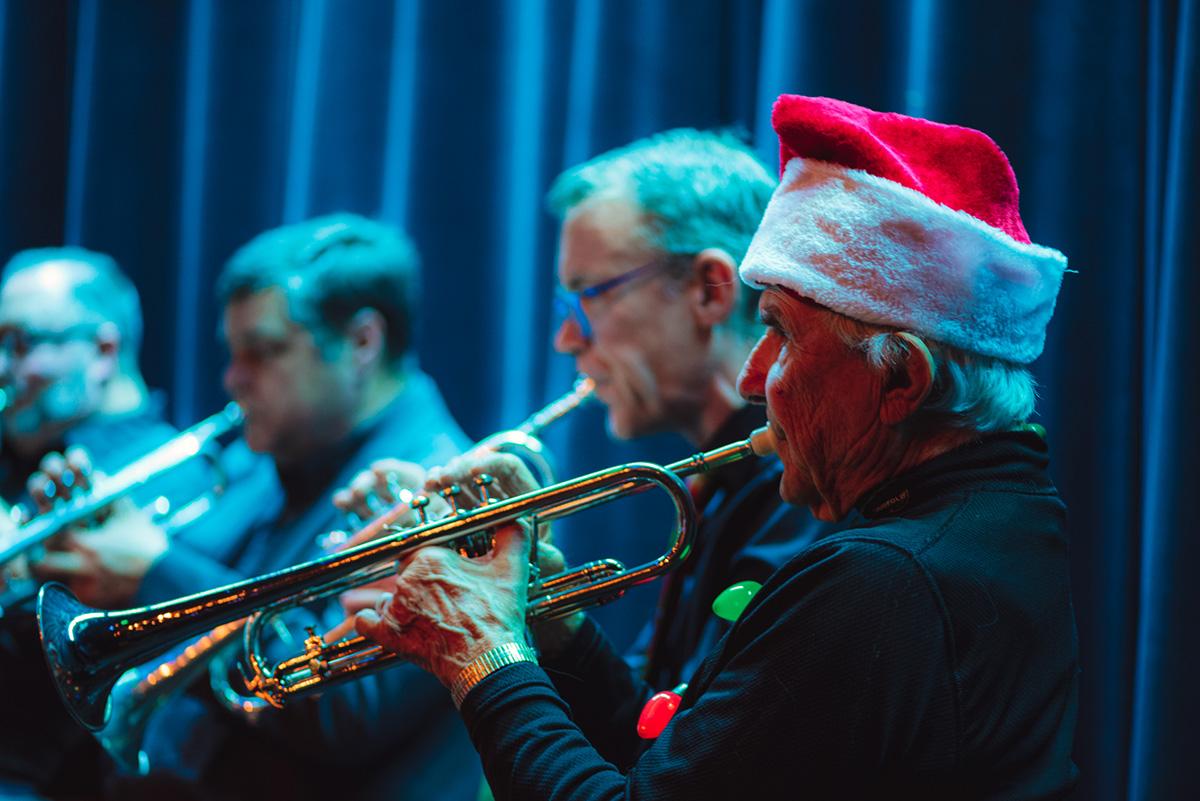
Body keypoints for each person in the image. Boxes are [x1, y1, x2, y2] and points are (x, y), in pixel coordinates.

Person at [351, 96, 1079, 799]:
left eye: (782, 332)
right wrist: (547, 619)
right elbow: (679, 759)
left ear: (903, 379)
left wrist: (484, 650)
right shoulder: (992, 520)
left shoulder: (883, 579)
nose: (752, 376)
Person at [337, 130, 830, 770]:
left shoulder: (804, 493)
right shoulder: (717, 486)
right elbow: (650, 740)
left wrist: (483, 647)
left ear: (709, 289)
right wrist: (536, 602)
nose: (567, 338)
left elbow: (687, 778)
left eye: (588, 295)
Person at [32, 215, 480, 801]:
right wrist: (82, 539)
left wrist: (153, 576)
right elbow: (176, 564)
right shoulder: (268, 460)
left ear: (362, 342)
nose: (233, 377)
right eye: (233, 352)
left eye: (263, 351)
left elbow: (345, 712)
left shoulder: (446, 492)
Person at [0, 248, 211, 800]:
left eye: (19, 344)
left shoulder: (175, 473)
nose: (1, 368)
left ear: (102, 349)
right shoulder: (20, 458)